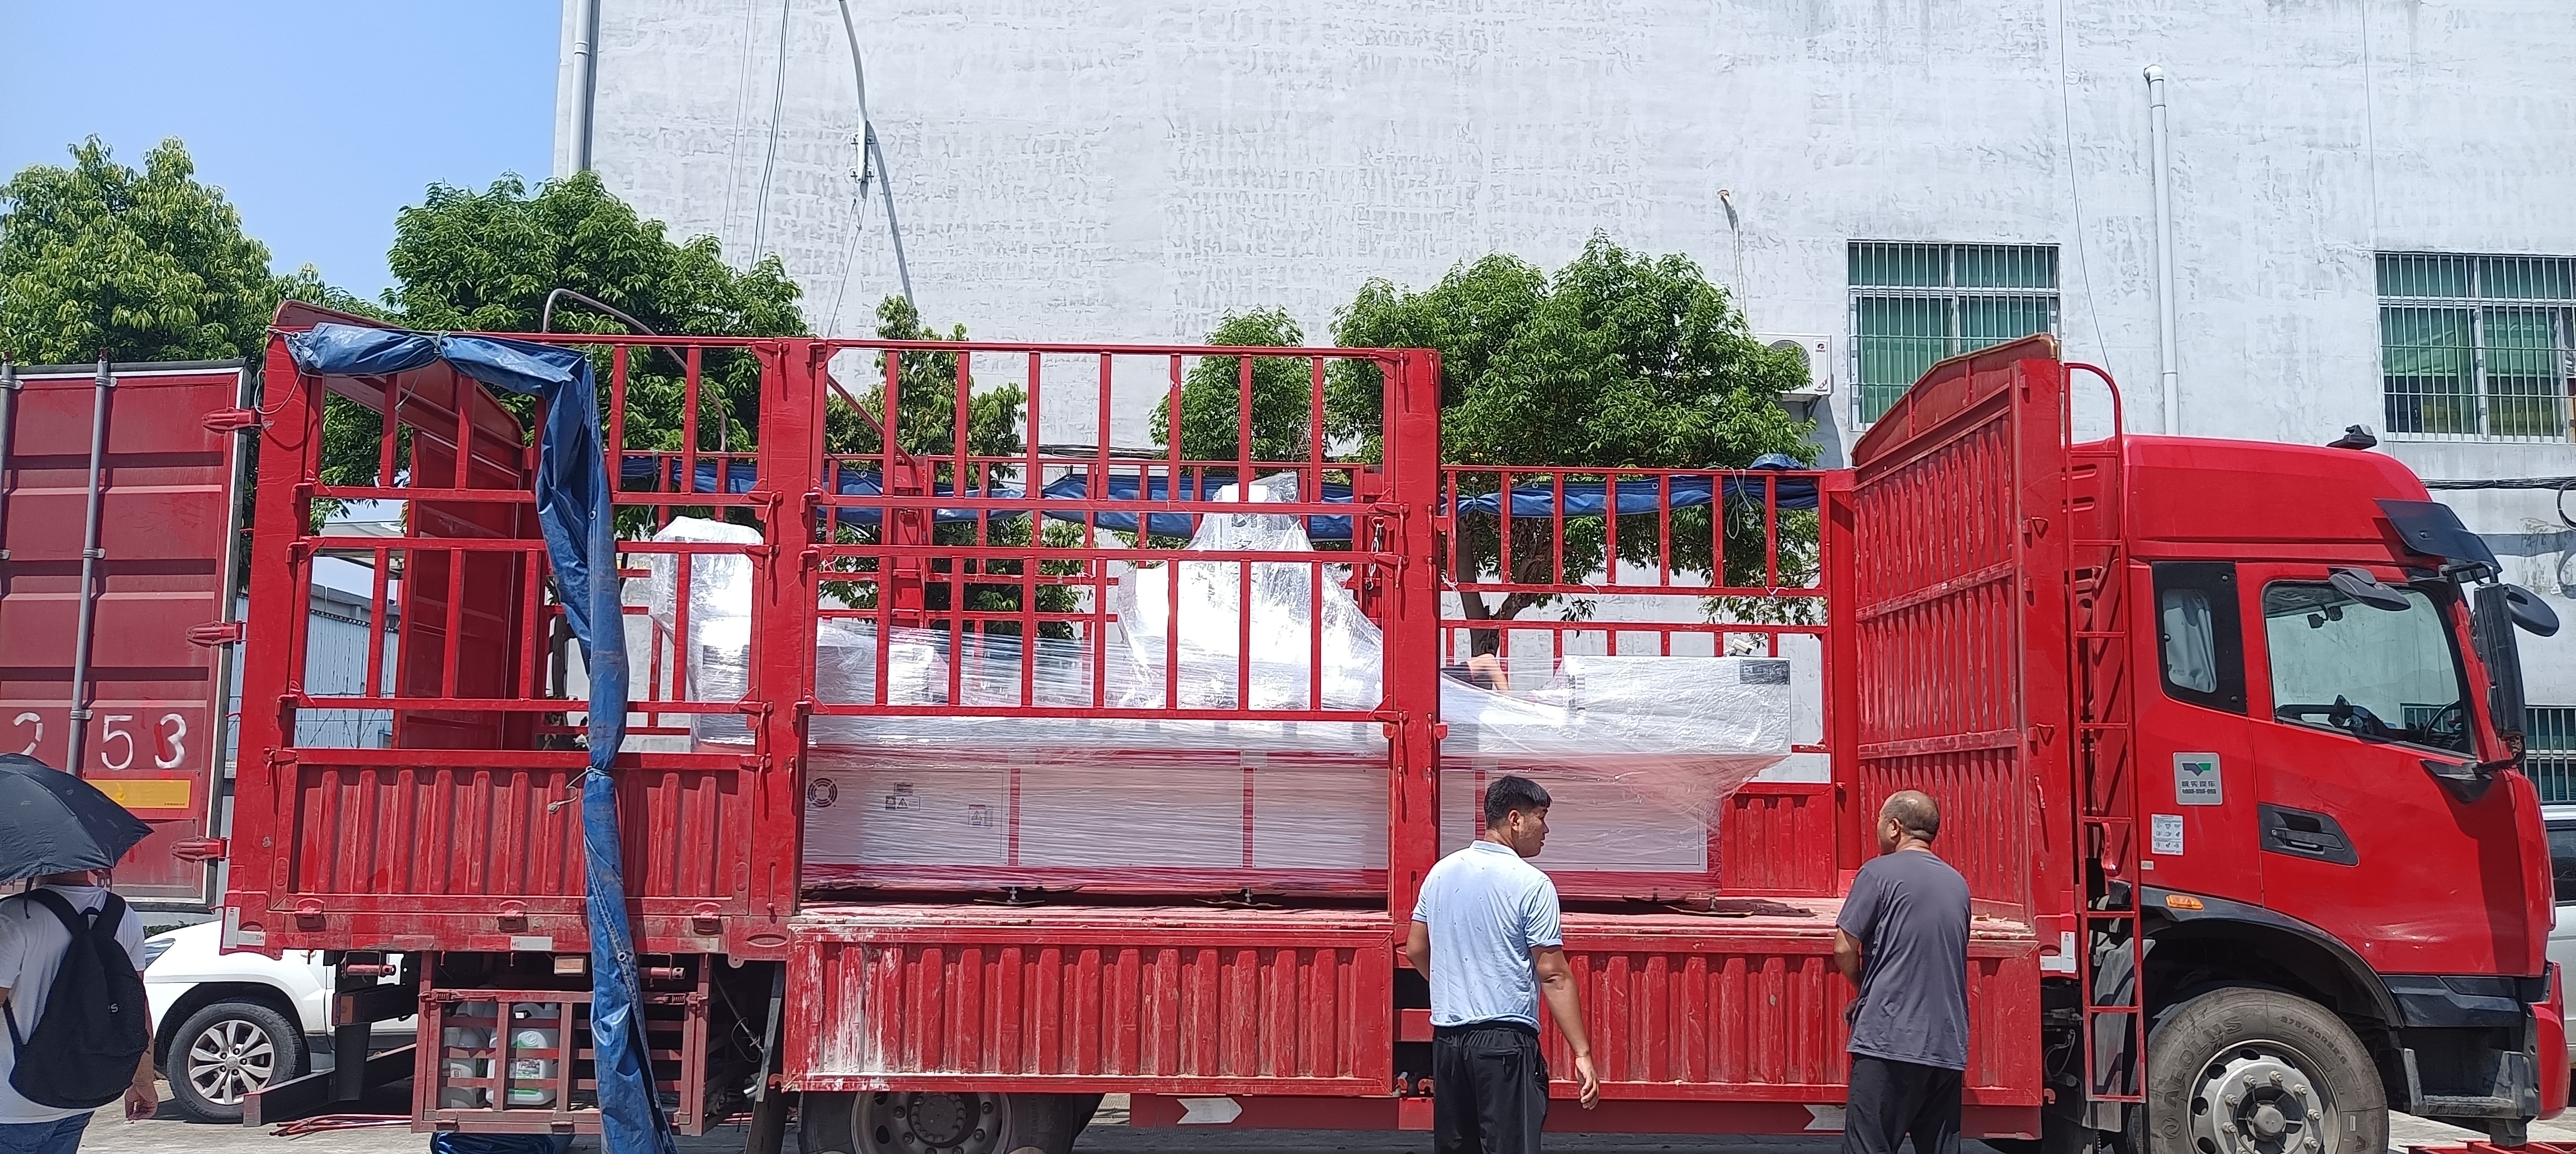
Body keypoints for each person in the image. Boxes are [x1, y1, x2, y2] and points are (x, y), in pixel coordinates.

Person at [1405, 774, 1599, 1154]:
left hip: (1448, 1043)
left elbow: (1415, 948)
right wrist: (1582, 1053)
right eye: (1541, 817)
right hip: (1504, 1044)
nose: (1546, 829)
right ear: (1515, 819)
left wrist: (1455, 984)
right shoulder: (1532, 883)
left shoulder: (1441, 873)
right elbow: (1554, 975)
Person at [1832, 791, 1971, 1154]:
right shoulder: (1958, 883)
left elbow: (1843, 947)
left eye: (1879, 821)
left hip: (1889, 1040)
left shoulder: (1878, 873)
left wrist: (1866, 991)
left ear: (1895, 827)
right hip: (1946, 1045)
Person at [0, 869, 155, 1153]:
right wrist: (143, 1079)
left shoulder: (13, 917)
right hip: (79, 1094)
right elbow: (135, 1004)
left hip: (12, 1102)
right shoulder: (123, 915)